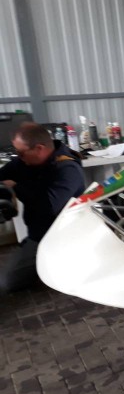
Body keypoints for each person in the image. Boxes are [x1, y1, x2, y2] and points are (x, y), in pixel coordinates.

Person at [0, 122, 85, 294]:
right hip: (38, 234)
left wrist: (15, 187)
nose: (19, 157)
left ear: (39, 148)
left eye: (21, 152)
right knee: (8, 281)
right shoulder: (24, 162)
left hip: (63, 236)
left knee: (9, 283)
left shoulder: (67, 168)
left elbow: (48, 206)